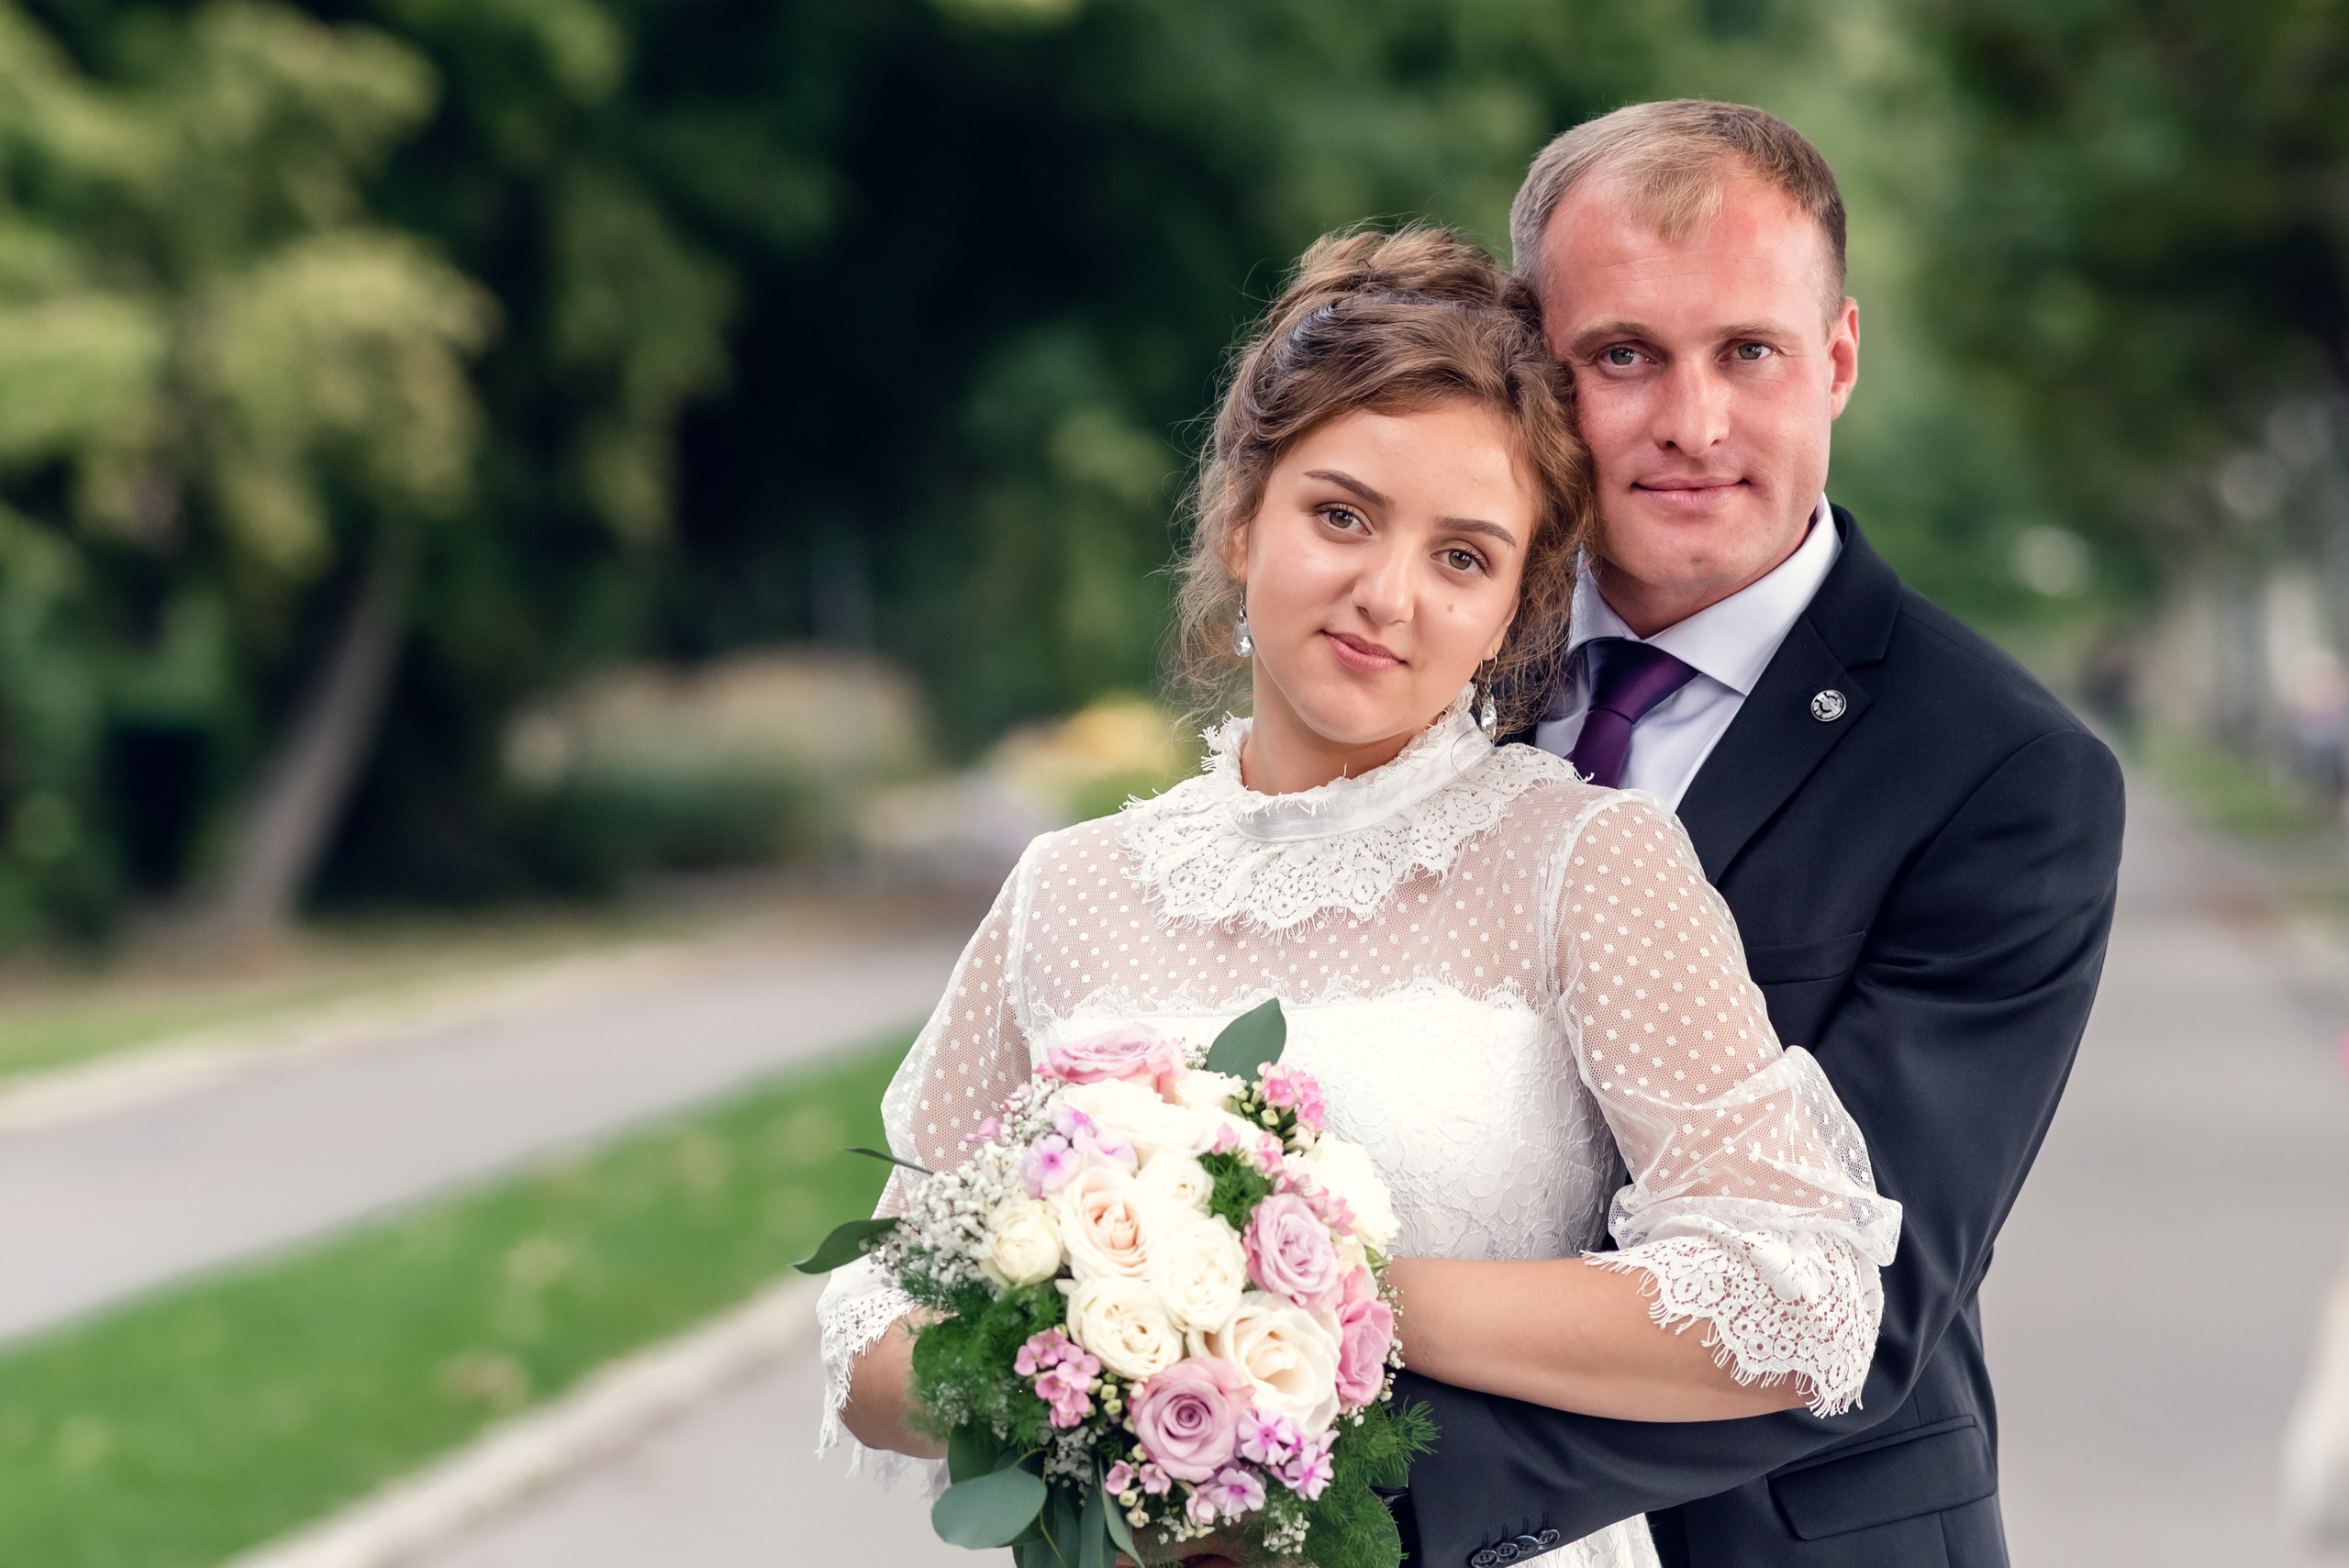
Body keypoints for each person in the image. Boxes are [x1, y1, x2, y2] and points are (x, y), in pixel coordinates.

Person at [814, 226, 1900, 1568]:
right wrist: (1115, 1367)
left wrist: (1315, 1294)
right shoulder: (1068, 888)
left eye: (1464, 557)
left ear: (1516, 610)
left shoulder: (1583, 863)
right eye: (1342, 515)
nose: (1387, 596)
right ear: (1241, 518)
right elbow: (872, 1317)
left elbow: (1797, 1301)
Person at [1386, 102, 2127, 1568]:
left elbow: (1853, 1302)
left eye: (1749, 352)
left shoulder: (2006, 778)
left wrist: (1360, 1499)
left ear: (1837, 359)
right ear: (1534, 365)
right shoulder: (1420, 669)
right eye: (1624, 356)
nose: (1694, 423)